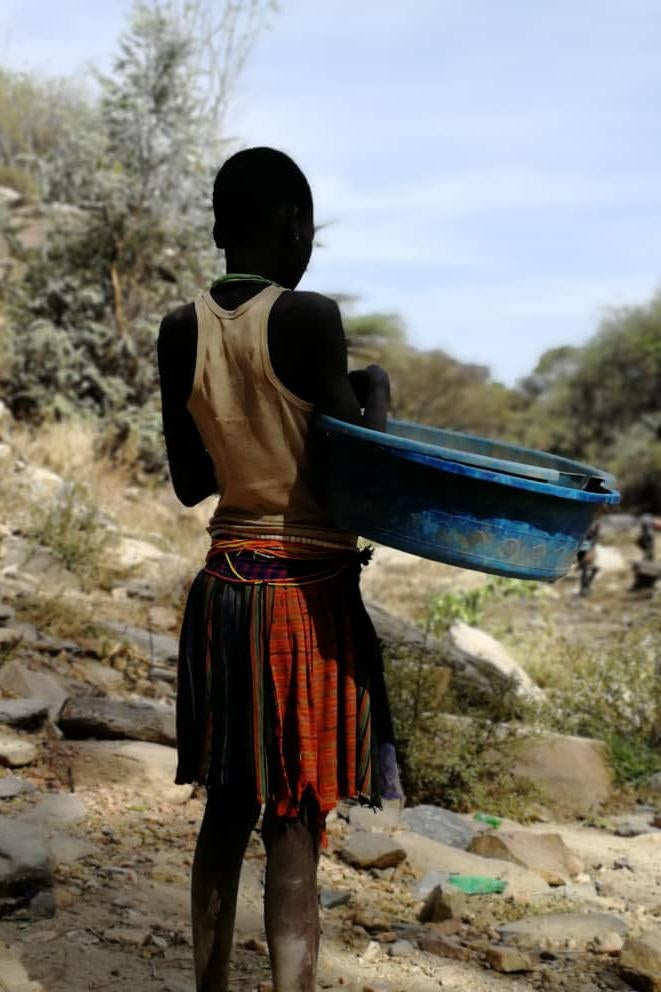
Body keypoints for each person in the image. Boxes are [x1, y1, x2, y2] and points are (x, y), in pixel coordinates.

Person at [157, 147, 401, 992]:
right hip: (302, 599)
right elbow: (354, 476)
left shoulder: (180, 327)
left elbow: (192, 483)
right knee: (293, 817)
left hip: (224, 590)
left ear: (222, 229)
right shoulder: (308, 318)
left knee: (226, 808)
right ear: (292, 225)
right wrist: (373, 389)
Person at [577, 520, 600, 596]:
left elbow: (595, 537)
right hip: (582, 549)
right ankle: (585, 587)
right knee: (585, 569)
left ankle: (585, 587)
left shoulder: (595, 523)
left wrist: (591, 549)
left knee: (588, 569)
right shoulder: (583, 521)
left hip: (588, 548)